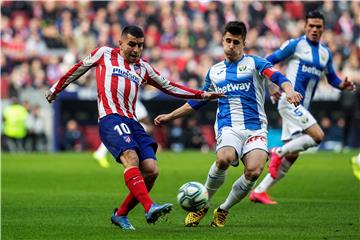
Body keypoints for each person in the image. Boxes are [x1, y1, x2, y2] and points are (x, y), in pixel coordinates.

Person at [45, 25, 223, 230]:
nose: (136, 50)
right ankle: (149, 207)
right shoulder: (104, 54)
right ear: (120, 43)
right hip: (111, 118)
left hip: (133, 122)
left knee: (151, 170)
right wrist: (55, 89)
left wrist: (201, 94)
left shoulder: (143, 67)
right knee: (131, 158)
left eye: (140, 45)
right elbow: (77, 69)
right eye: (131, 44)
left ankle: (121, 215)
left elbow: (170, 86)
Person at [154, 21, 302, 227]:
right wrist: (170, 116)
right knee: (224, 159)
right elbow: (198, 100)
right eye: (228, 41)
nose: (231, 45)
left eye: (236, 42)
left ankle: (223, 209)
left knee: (254, 171)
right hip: (228, 126)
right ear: (222, 41)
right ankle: (202, 204)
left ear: (243, 43)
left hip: (255, 127)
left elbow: (279, 77)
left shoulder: (255, 63)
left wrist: (290, 90)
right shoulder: (214, 72)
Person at [249, 10, 357, 205]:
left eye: (318, 27)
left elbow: (332, 78)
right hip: (289, 100)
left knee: (293, 155)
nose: (314, 29)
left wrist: (343, 85)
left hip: (303, 106)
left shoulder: (325, 53)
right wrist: (272, 84)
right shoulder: (295, 44)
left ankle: (259, 191)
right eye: (311, 26)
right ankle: (276, 152)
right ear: (305, 26)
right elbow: (266, 62)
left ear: (323, 29)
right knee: (318, 136)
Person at [93, 100, 152, 168]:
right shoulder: (131, 100)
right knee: (143, 127)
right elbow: (144, 118)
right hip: (120, 123)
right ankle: (101, 153)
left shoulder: (134, 100)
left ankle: (101, 153)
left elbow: (143, 118)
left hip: (124, 123)